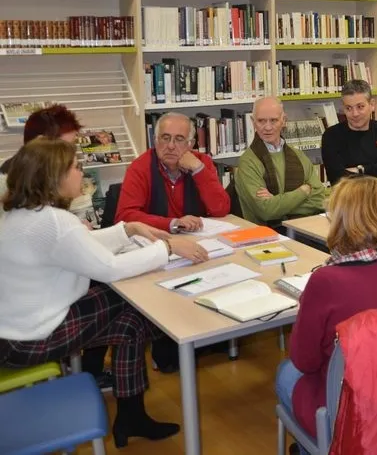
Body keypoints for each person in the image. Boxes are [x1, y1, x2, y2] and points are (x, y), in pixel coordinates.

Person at [0, 138, 210, 448]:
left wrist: (127, 228)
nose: (81, 175)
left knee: (131, 325)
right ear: (53, 176)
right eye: (74, 168)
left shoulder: (24, 213)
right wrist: (166, 247)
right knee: (133, 302)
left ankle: (131, 415)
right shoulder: (54, 221)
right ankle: (132, 415)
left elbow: (79, 248)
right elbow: (109, 268)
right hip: (30, 339)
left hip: (14, 334)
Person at [277, 176, 377, 441]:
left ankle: (317, 446)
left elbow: (304, 361)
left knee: (286, 372)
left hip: (353, 414)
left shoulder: (327, 280)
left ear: (341, 220)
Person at [115, 112, 230, 233]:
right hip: (156, 241)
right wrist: (173, 223)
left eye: (179, 139)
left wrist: (198, 170)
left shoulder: (202, 162)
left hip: (197, 240)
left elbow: (221, 209)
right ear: (155, 140)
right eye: (165, 138)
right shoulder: (140, 167)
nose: (170, 146)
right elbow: (124, 217)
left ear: (190, 144)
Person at [236, 97, 329, 226]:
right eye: (261, 121)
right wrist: (304, 191)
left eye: (273, 120)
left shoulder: (298, 155)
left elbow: (320, 199)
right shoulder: (248, 162)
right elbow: (266, 211)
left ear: (284, 120)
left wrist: (278, 203)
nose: (267, 127)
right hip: (265, 236)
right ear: (253, 122)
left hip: (303, 229)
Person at [0, 104, 85, 216]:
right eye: (64, 147)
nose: (71, 154)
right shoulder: (9, 184)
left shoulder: (48, 176)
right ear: (42, 144)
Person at [321, 79, 377, 185]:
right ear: (343, 108)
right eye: (348, 108)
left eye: (360, 107)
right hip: (349, 199)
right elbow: (337, 178)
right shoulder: (331, 136)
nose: (355, 113)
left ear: (372, 105)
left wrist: (360, 170)